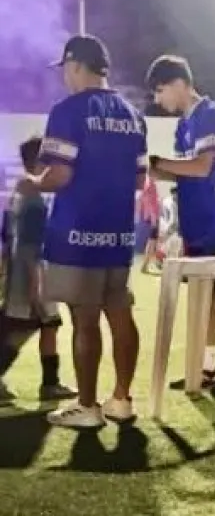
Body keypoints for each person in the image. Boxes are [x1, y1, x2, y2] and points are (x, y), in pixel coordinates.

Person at [33, 34, 145, 428]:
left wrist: (32, 184)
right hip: (118, 235)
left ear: (75, 66)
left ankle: (87, 406)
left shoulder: (66, 111)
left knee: (84, 319)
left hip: (76, 234)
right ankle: (122, 400)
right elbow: (138, 180)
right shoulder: (133, 115)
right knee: (120, 312)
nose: (64, 76)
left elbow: (60, 173)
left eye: (65, 68)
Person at [145, 54, 215, 396]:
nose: (157, 100)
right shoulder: (186, 124)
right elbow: (184, 170)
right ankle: (207, 366)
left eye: (160, 90)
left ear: (179, 83)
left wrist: (157, 162)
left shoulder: (210, 115)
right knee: (205, 298)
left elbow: (202, 167)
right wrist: (149, 170)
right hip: (199, 222)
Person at [0, 137, 78, 406]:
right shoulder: (34, 196)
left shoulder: (19, 192)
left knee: (39, 325)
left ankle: (50, 383)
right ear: (41, 161)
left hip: (19, 272)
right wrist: (36, 283)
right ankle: (49, 384)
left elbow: (7, 237)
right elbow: (32, 244)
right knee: (32, 326)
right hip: (33, 273)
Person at [138, 174, 161, 274]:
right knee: (152, 242)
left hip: (150, 216)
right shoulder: (150, 185)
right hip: (153, 217)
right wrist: (154, 219)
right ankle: (145, 265)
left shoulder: (147, 184)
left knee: (152, 242)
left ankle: (146, 265)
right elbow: (150, 202)